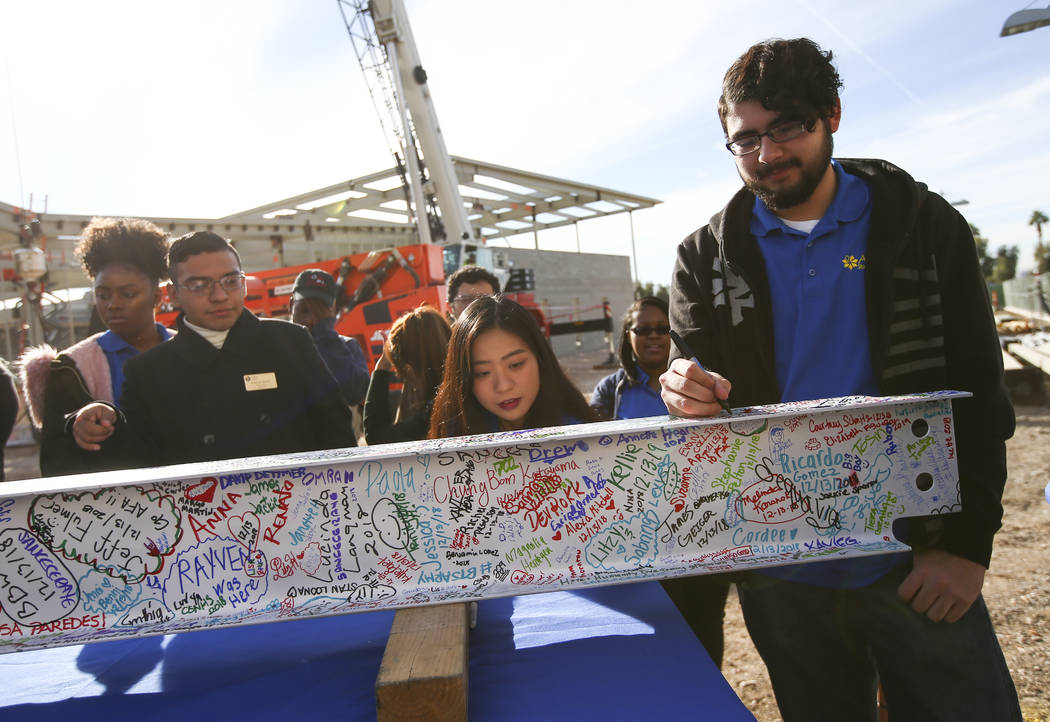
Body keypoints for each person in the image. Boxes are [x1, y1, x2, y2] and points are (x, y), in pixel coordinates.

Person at [659, 38, 1020, 721]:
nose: (766, 155)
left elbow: (978, 393)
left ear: (833, 114)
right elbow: (691, 384)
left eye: (788, 127)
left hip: (917, 557)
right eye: (745, 140)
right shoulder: (700, 258)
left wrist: (969, 550)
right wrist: (681, 387)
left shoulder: (922, 225)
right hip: (783, 573)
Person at [72, 231, 354, 466]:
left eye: (230, 282)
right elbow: (142, 464)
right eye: (198, 285)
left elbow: (336, 432)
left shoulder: (290, 341)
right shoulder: (147, 373)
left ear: (243, 284)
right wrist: (96, 420)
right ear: (173, 294)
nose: (219, 296)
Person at [590, 296, 731, 668]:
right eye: (643, 329)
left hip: (701, 531)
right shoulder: (610, 391)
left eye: (661, 329)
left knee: (704, 631)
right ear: (627, 335)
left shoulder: (698, 381)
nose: (653, 336)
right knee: (655, 636)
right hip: (637, 537)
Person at [19, 217, 173, 476]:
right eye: (102, 295)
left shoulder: (189, 349)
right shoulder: (70, 367)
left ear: (157, 297)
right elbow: (57, 463)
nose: (113, 304)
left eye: (128, 294)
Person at [429, 294, 596, 438]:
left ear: (540, 358)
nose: (503, 386)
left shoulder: (587, 438)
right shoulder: (450, 446)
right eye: (482, 372)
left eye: (516, 364)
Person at [363, 305, 451, 444]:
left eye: (402, 373)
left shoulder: (440, 408)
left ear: (409, 367)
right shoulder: (457, 388)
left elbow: (376, 437)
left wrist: (382, 367)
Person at [290, 268, 369, 406]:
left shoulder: (349, 347)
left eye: (319, 313)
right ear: (291, 305)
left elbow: (355, 394)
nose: (310, 319)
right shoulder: (275, 346)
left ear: (332, 310)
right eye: (304, 310)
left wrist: (325, 333)